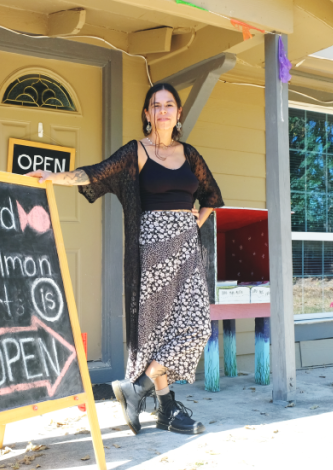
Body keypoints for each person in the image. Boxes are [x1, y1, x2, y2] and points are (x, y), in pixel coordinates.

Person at [25, 82, 224, 435]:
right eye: (155, 105)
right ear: (147, 114)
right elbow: (95, 172)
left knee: (196, 327)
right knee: (158, 331)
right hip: (153, 248)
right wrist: (53, 177)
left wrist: (199, 219)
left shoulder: (189, 154)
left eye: (169, 105)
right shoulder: (137, 152)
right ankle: (165, 408)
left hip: (187, 249)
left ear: (178, 114)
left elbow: (211, 194)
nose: (162, 111)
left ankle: (136, 389)